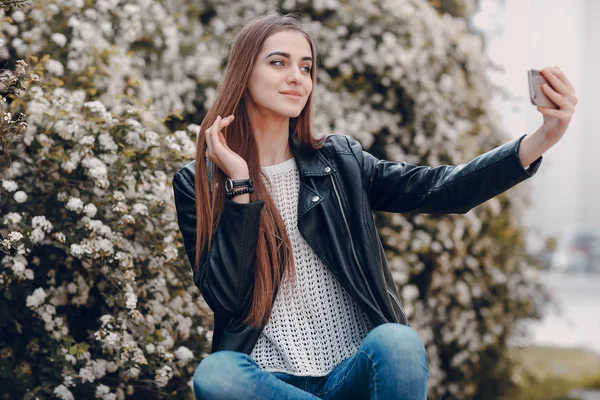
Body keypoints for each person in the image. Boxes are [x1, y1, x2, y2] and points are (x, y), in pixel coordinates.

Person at [172, 10, 577, 400]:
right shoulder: (198, 183)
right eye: (279, 63)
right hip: (266, 381)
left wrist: (545, 135)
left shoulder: (340, 162)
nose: (296, 77)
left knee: (397, 342)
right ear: (244, 75)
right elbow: (227, 299)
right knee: (216, 374)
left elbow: (444, 189)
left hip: (355, 371)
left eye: (306, 67)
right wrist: (241, 186)